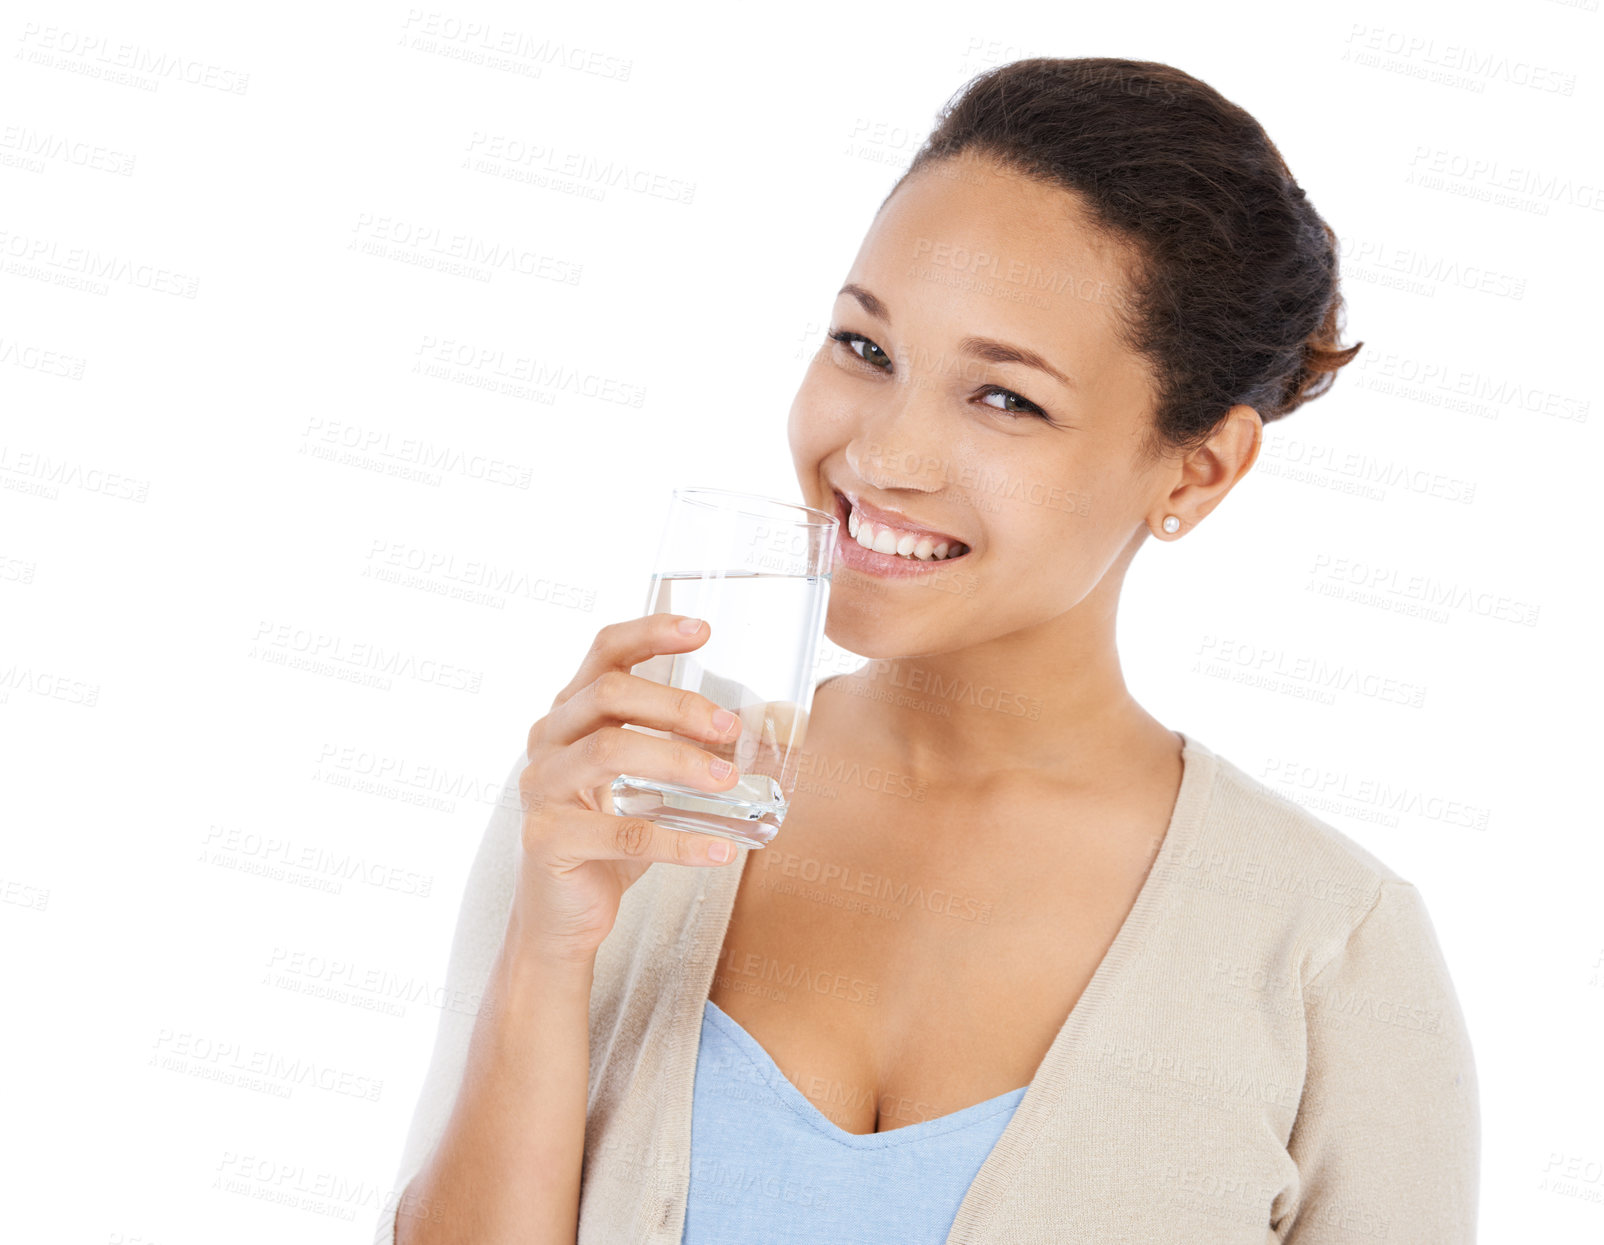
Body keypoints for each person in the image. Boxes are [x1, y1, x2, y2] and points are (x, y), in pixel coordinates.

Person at [376, 57, 1479, 1244]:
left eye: (1004, 399)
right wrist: (552, 949)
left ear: (1196, 467)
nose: (884, 454)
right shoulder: (628, 790)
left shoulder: (1329, 950)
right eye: (864, 347)